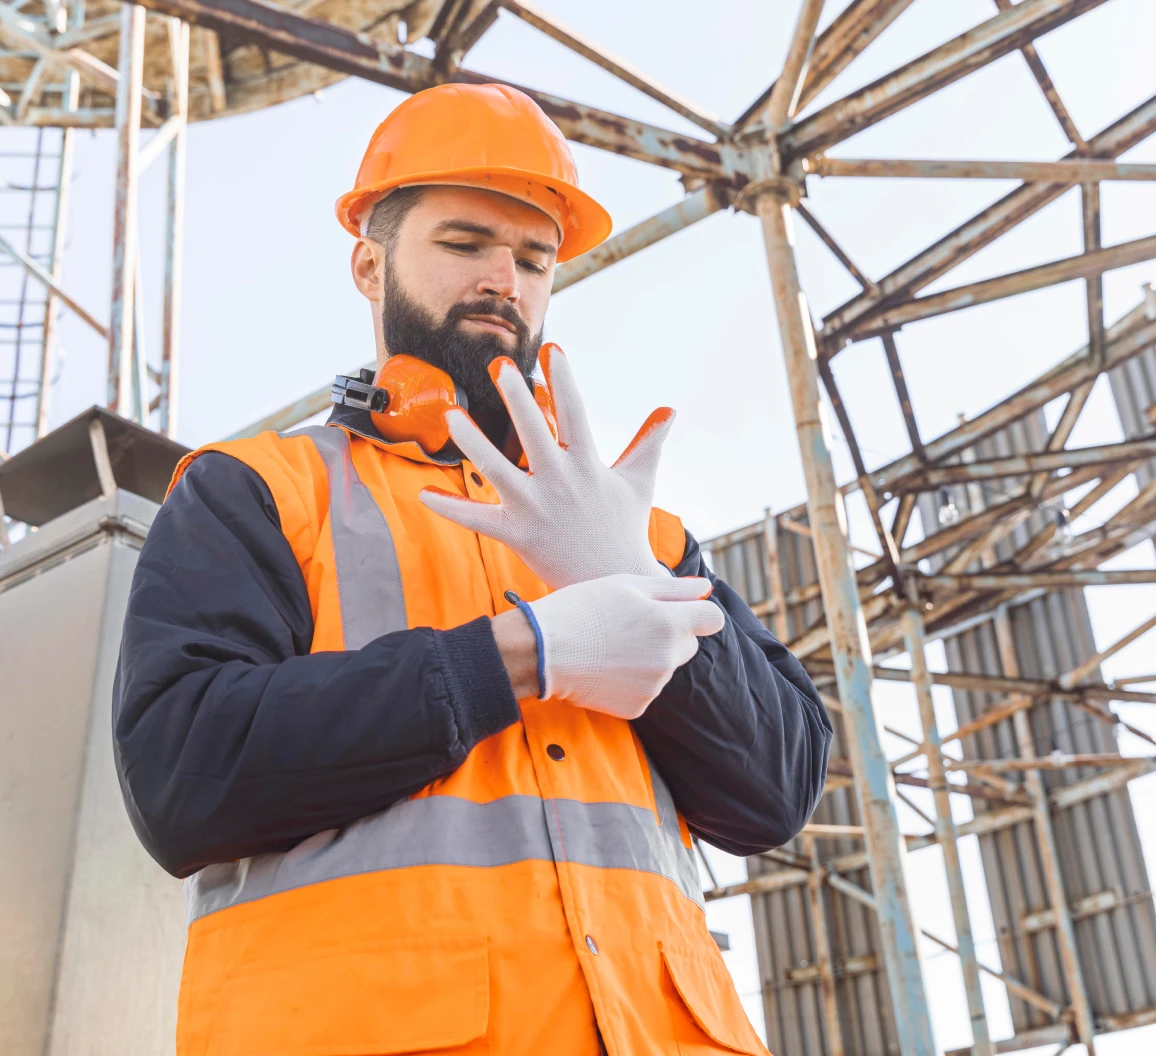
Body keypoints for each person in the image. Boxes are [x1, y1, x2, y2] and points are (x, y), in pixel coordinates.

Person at [113, 82, 832, 1056]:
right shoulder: (262, 490)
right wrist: (523, 654)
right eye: (464, 245)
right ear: (370, 265)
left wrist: (629, 578)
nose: (506, 277)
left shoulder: (639, 531)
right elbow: (181, 775)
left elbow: (775, 791)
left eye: (535, 258)